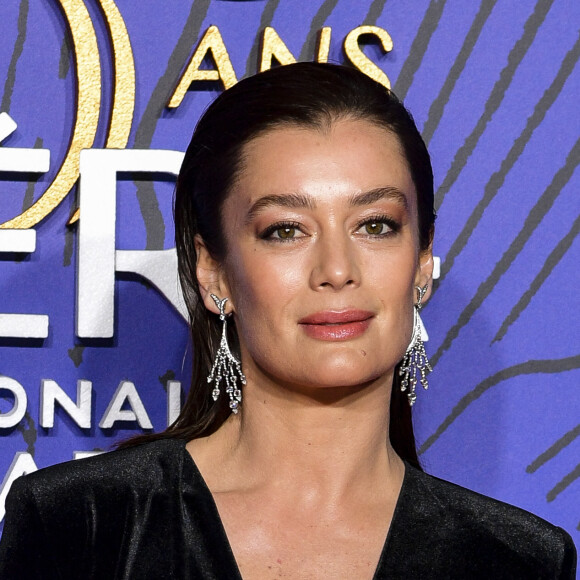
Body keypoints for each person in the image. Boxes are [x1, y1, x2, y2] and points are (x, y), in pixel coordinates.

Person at [0, 63, 576, 579]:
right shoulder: (81, 527)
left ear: (422, 262)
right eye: (285, 230)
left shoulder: (516, 561)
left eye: (375, 225)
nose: (336, 270)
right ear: (213, 272)